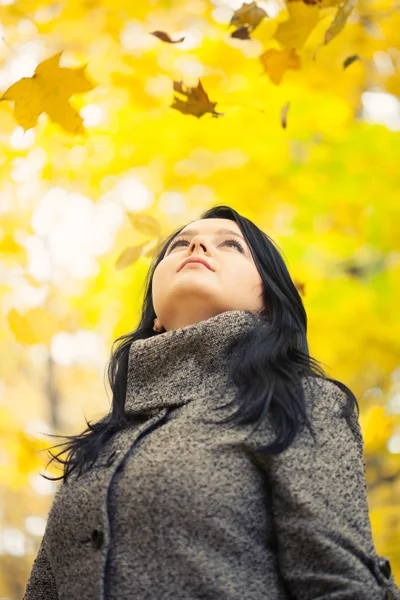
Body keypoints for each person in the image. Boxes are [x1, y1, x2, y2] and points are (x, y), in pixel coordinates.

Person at [24, 204, 400, 599]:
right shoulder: (99, 445)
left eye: (232, 246)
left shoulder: (299, 402)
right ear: (155, 315)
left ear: (268, 304)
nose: (197, 244)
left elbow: (340, 584)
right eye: (179, 244)